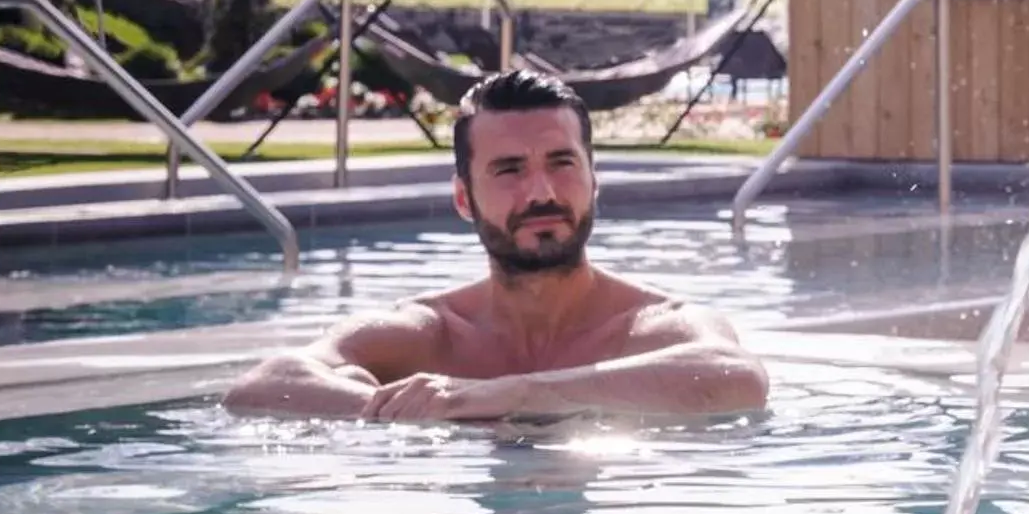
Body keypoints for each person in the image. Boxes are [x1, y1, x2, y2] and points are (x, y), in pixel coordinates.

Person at [224, 69, 768, 424]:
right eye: (509, 170)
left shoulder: (648, 328)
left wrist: (503, 396)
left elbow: (735, 377)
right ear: (464, 198)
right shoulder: (430, 334)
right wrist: (392, 408)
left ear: (593, 180)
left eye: (562, 163)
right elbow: (262, 386)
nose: (542, 193)